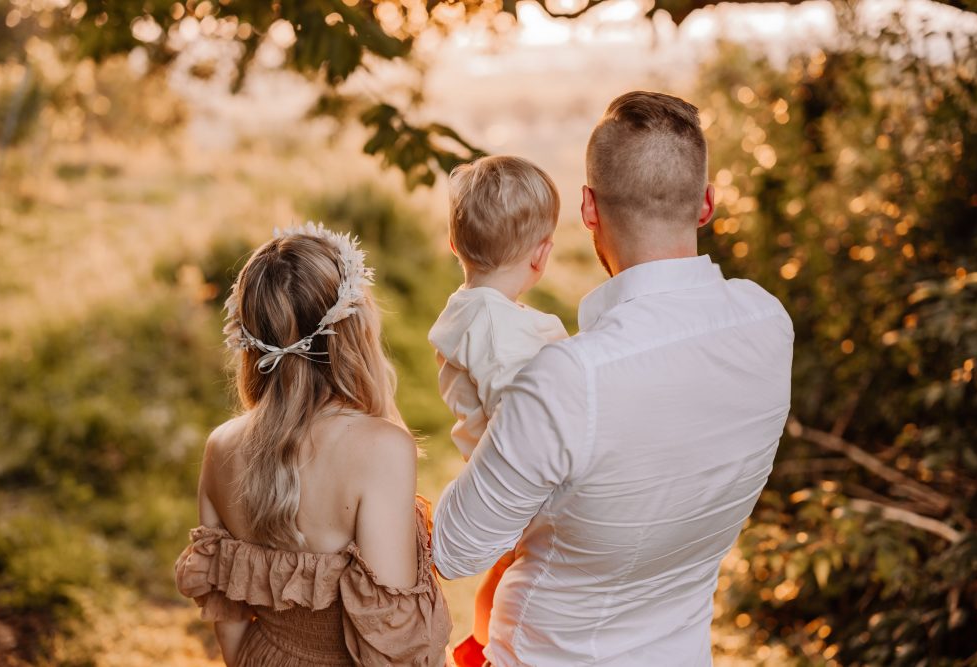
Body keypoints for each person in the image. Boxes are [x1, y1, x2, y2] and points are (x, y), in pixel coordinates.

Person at [431, 91, 795, 666]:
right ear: (705, 204)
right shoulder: (769, 324)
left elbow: (455, 548)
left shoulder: (569, 379)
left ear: (589, 209)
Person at [175, 223, 452, 667]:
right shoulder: (381, 449)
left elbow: (227, 619)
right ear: (354, 329)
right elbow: (394, 639)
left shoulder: (220, 446)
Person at [427, 156, 568, 666]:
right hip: (522, 480)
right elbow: (522, 411)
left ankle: (479, 649)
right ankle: (483, 654)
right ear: (541, 254)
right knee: (514, 574)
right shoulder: (494, 330)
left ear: (454, 243)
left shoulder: (478, 312)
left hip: (506, 471)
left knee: (508, 573)